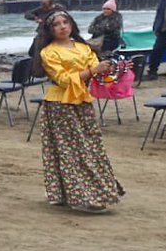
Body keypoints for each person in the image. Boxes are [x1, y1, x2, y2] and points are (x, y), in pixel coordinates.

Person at [33, 11, 124, 212]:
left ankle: (86, 192)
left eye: (65, 22)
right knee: (70, 151)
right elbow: (64, 80)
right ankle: (80, 196)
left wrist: (113, 69)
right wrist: (94, 70)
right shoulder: (48, 52)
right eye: (57, 24)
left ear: (72, 24)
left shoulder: (83, 47)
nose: (62, 27)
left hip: (82, 101)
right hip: (60, 104)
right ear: (50, 30)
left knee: (91, 147)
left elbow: (96, 71)